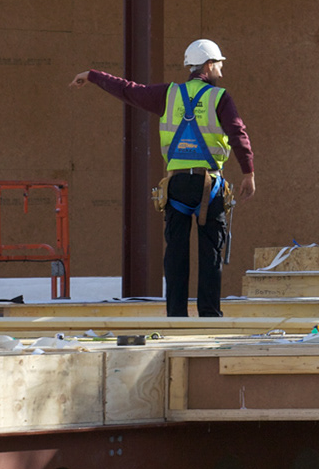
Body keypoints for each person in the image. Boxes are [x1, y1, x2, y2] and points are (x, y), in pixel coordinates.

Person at [70, 38, 255, 317]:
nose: (221, 70)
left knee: (176, 255)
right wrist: (248, 172)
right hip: (210, 185)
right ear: (208, 64)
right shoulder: (220, 98)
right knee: (211, 254)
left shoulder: (168, 95)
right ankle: (209, 316)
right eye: (219, 64)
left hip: (177, 185)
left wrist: (93, 76)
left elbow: (128, 90)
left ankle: (176, 317)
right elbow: (238, 133)